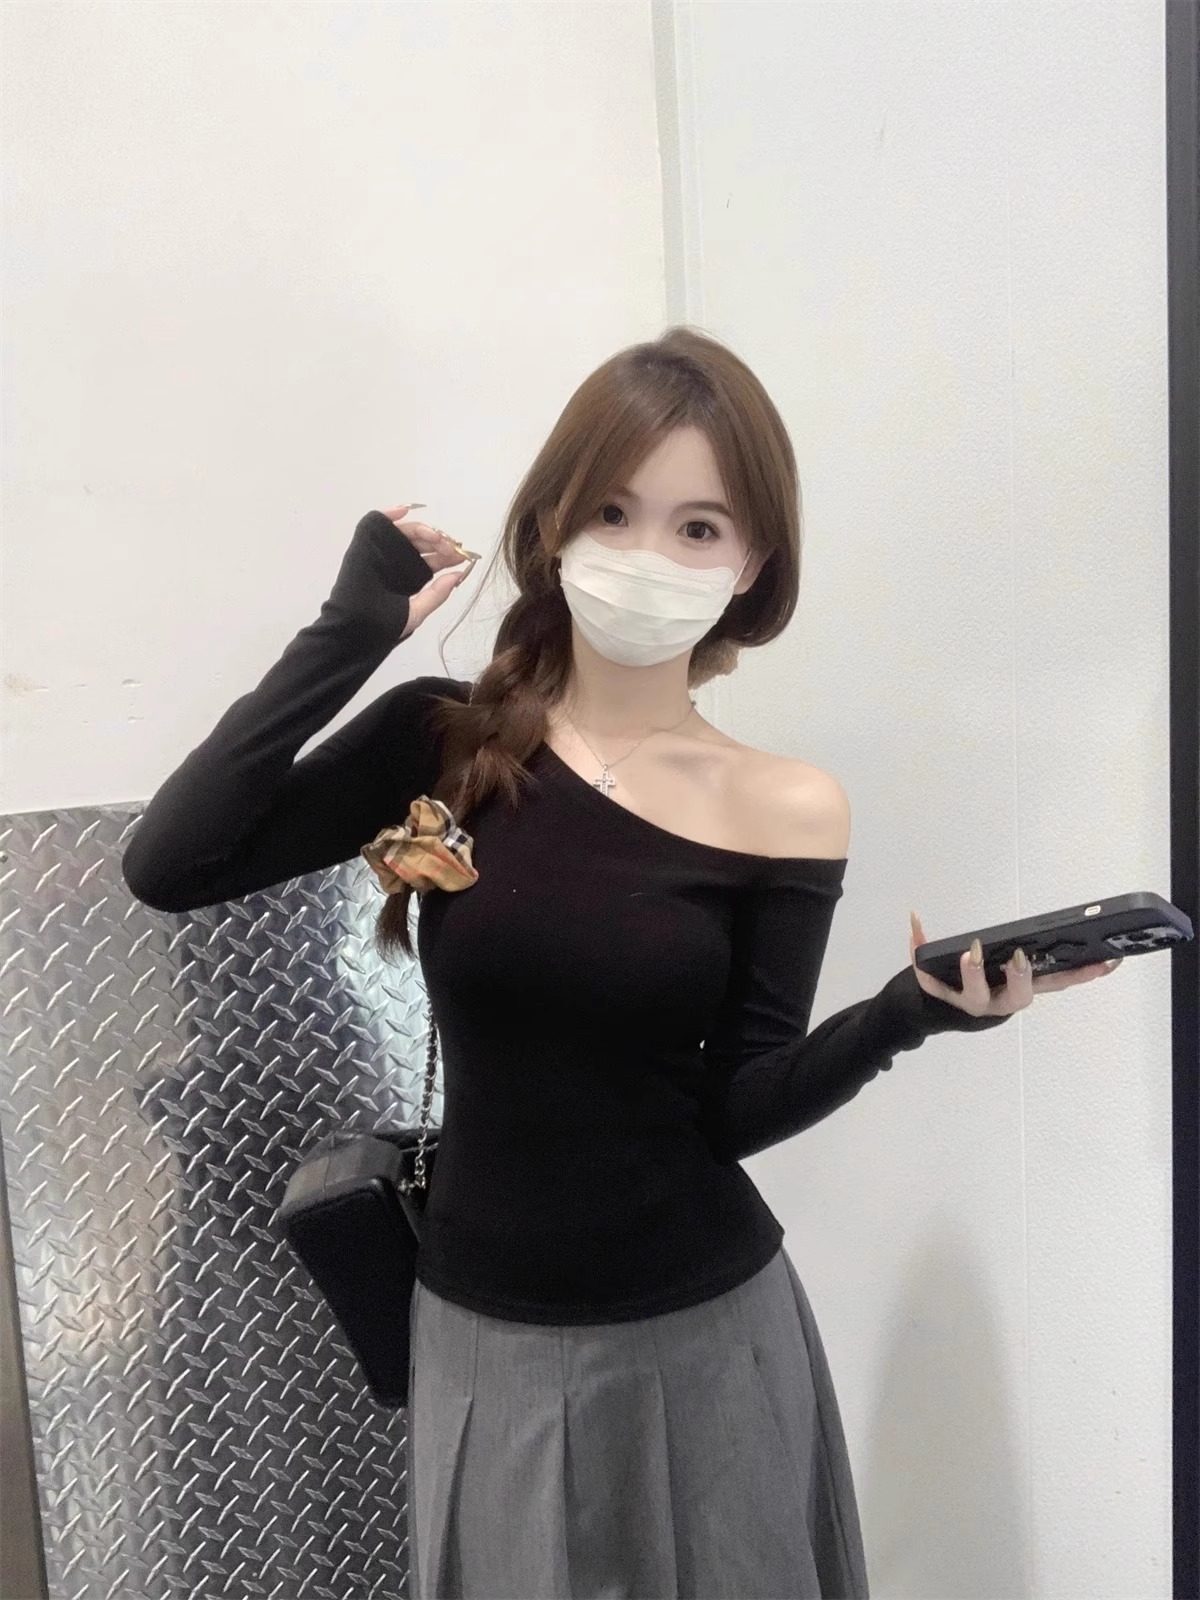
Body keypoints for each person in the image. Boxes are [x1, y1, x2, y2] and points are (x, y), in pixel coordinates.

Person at [121, 326, 1119, 1600]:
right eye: (614, 510)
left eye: (699, 527)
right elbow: (172, 862)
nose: (649, 555)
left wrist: (906, 1014)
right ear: (553, 524)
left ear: (752, 564)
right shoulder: (446, 741)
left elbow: (737, 1104)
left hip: (707, 1336)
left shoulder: (788, 804)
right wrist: (347, 631)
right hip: (485, 1337)